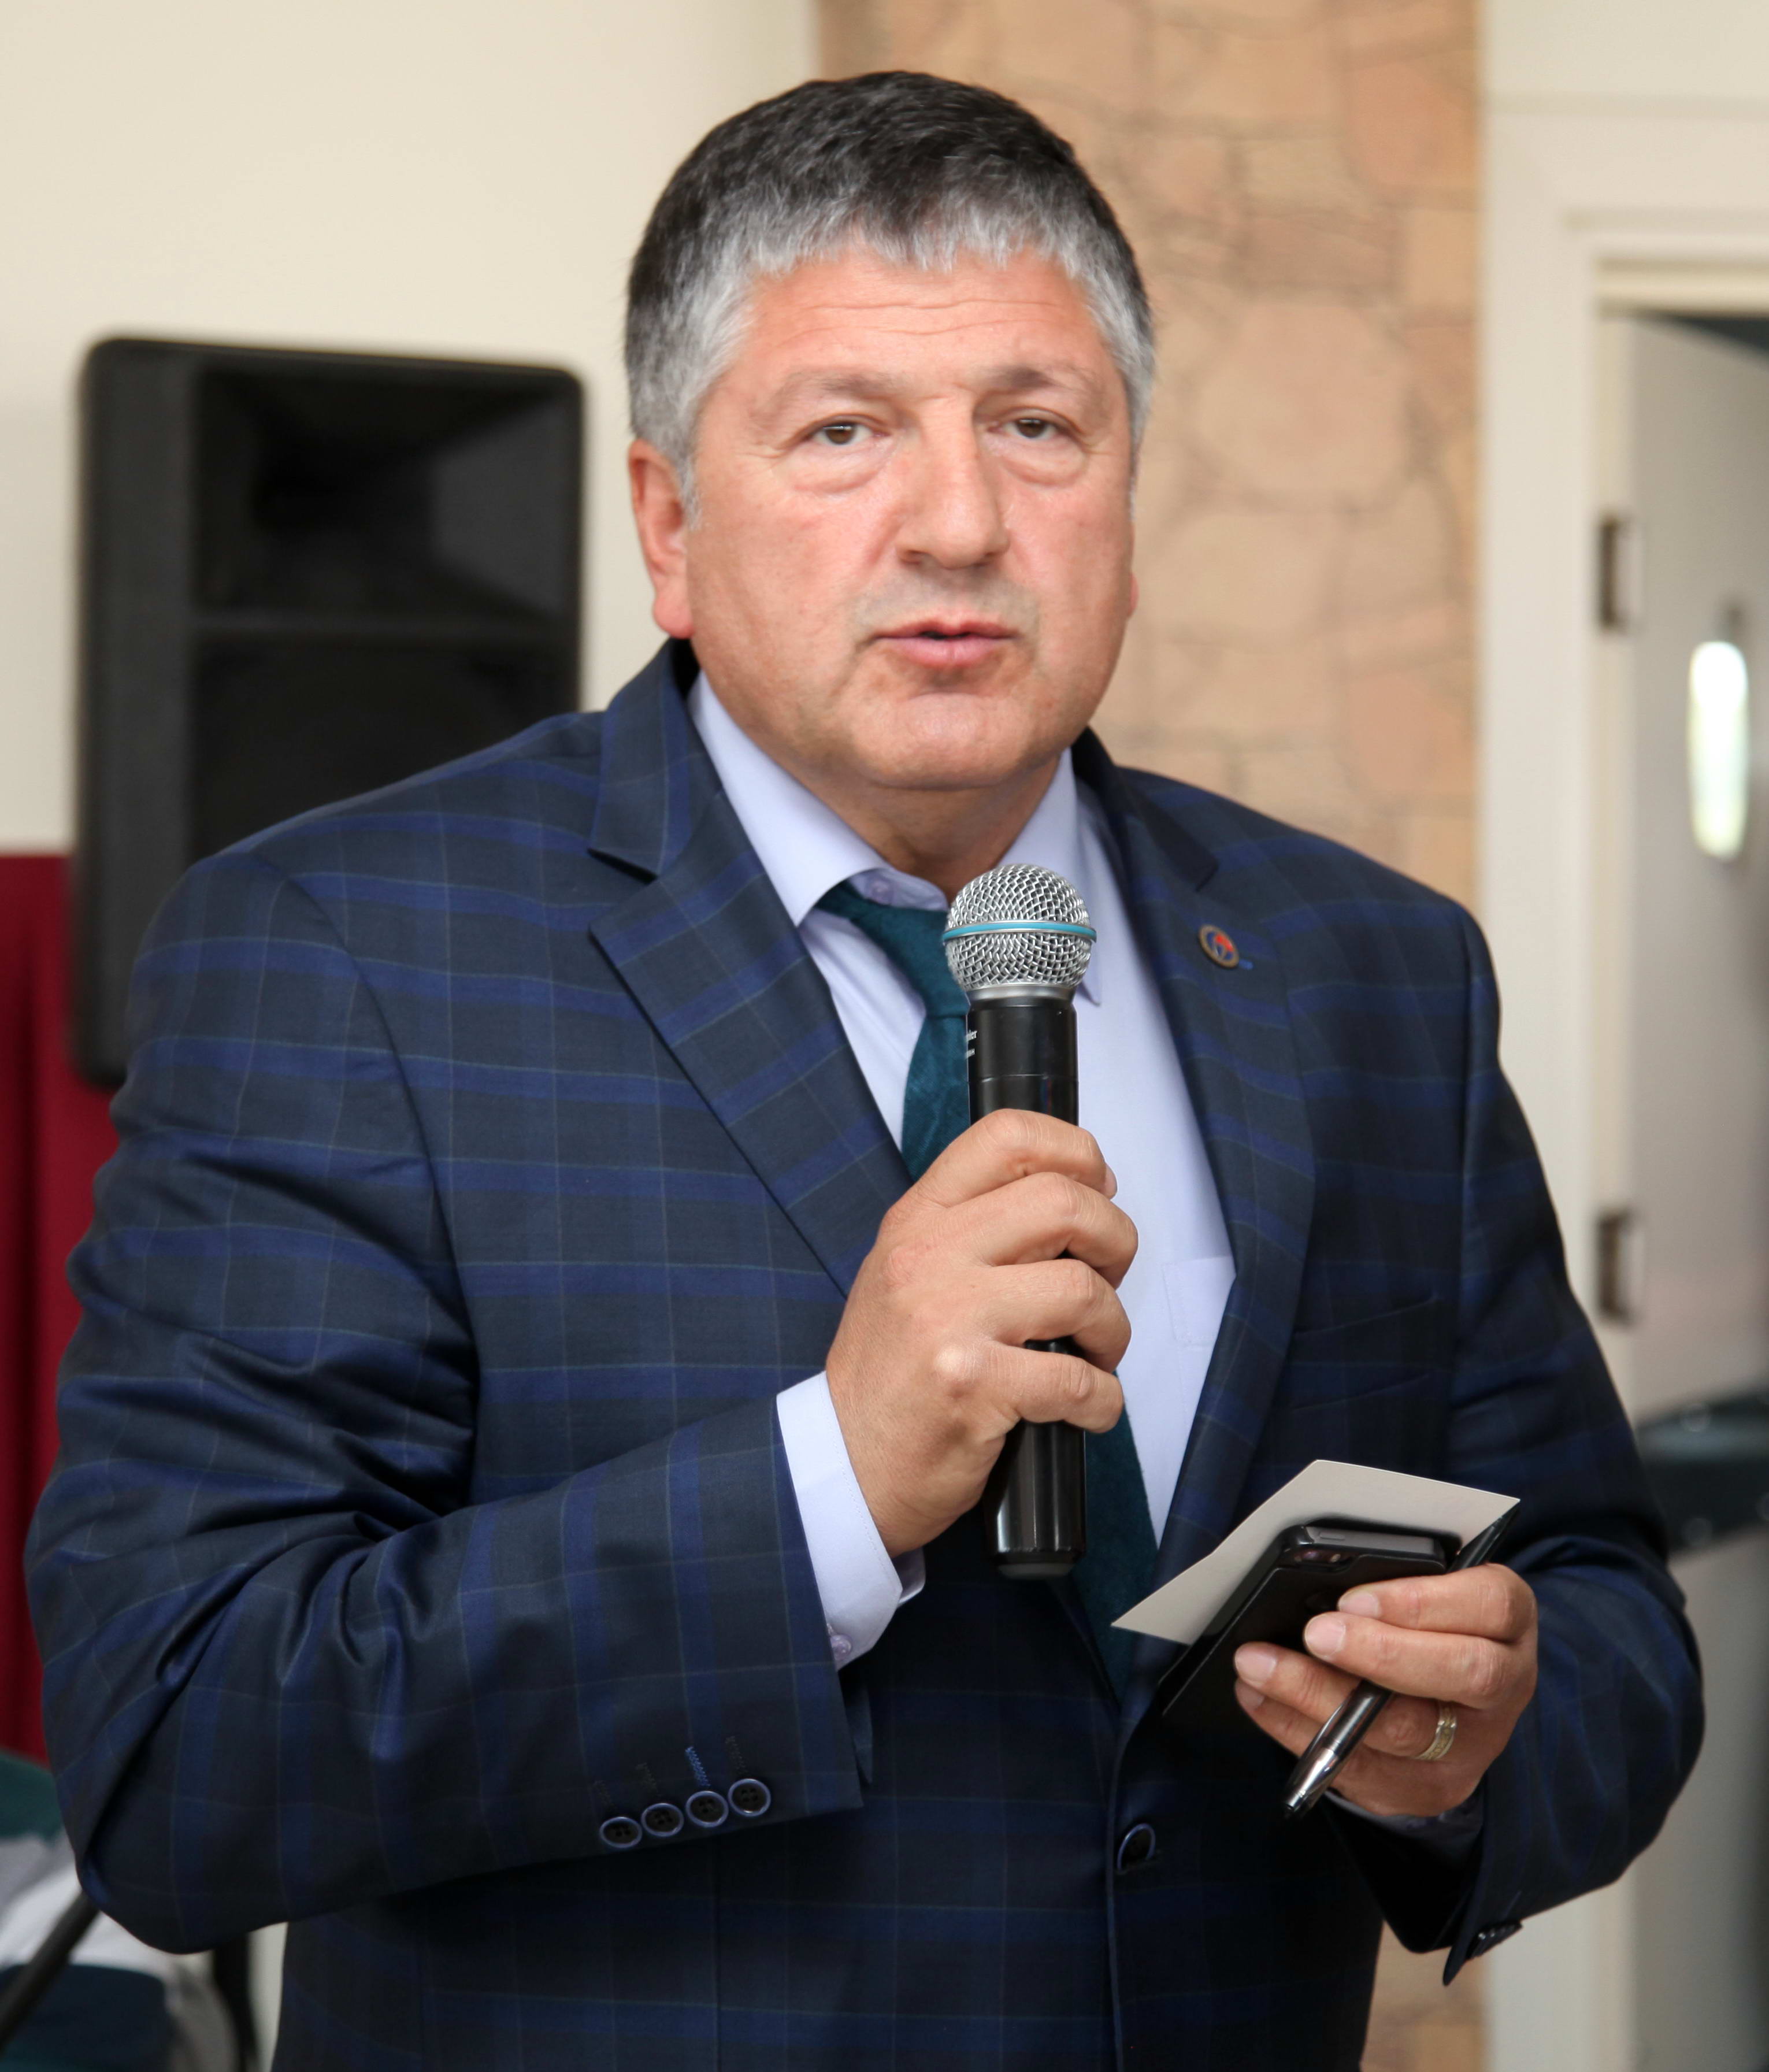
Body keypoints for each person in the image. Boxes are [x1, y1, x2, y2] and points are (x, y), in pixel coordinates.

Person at [28, 71, 1700, 2071]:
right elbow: (180, 1749)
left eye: (1038, 425)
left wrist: (1480, 1736)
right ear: (669, 521)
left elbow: (1602, 1606)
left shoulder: (1370, 969)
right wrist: (827, 1481)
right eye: (844, 431)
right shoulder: (344, 950)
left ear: (1130, 497)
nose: (962, 522)